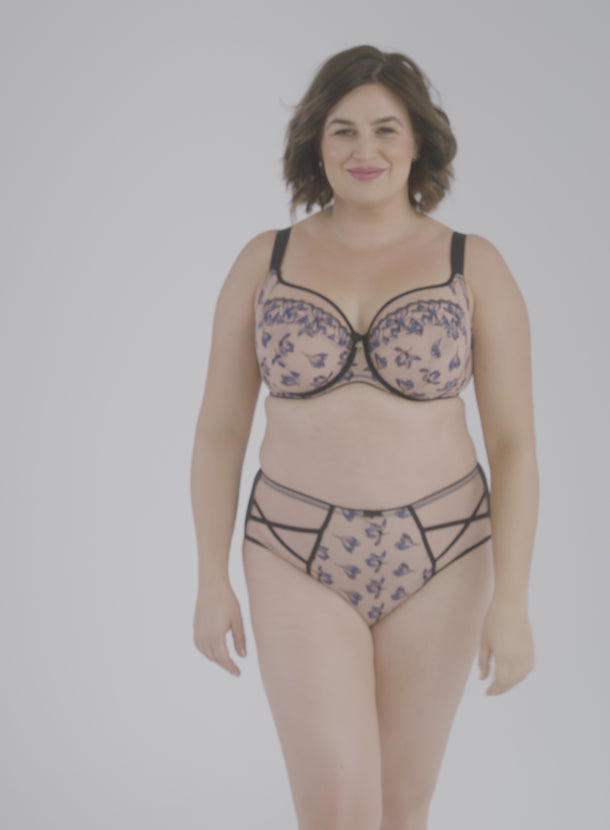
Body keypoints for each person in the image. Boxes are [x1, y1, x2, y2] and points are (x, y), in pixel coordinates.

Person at [191, 44, 538, 830]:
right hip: (293, 549)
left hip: (446, 552)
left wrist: (513, 599)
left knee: (400, 808)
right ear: (316, 143)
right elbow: (219, 430)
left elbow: (515, 446)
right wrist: (211, 577)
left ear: (418, 142)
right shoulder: (265, 260)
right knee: (337, 809)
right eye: (342, 130)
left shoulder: (474, 264)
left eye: (386, 128)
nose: (364, 149)